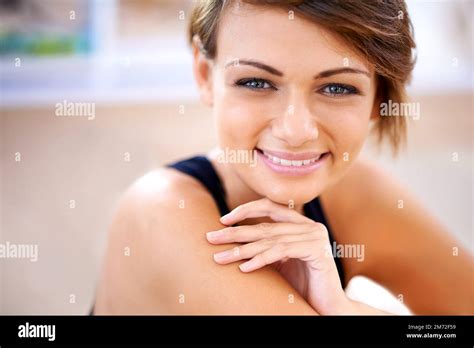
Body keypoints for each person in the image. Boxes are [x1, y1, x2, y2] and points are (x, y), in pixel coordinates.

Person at [92, 0, 473, 315]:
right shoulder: (161, 210)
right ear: (204, 74)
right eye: (256, 82)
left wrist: (343, 309)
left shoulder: (356, 193)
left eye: (338, 87)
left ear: (378, 98)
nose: (295, 130)